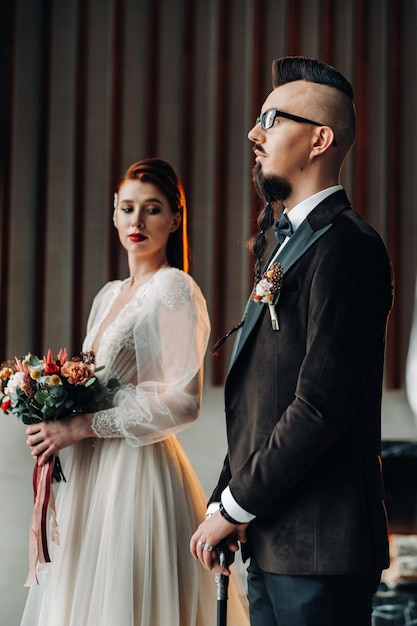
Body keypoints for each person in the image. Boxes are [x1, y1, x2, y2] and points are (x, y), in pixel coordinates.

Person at [191, 56, 394, 626]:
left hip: (321, 549)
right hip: (273, 537)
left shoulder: (349, 248)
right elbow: (266, 397)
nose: (255, 133)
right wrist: (226, 499)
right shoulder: (283, 244)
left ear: (320, 138)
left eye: (272, 119)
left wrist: (235, 506)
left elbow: (319, 406)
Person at [21, 158, 249, 625]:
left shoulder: (174, 288)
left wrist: (83, 425)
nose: (137, 221)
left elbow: (185, 401)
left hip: (136, 473)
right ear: (114, 213)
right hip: (89, 474)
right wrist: (54, 416)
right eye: (128, 208)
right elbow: (92, 381)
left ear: (175, 218)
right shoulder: (107, 294)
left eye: (152, 209)